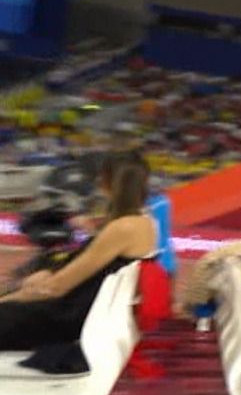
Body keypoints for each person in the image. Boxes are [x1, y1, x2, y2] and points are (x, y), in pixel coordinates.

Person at [0, 151, 158, 365]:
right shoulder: (144, 223)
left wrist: (10, 297)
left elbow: (56, 288)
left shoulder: (121, 228)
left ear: (106, 183)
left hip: (66, 317)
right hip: (83, 311)